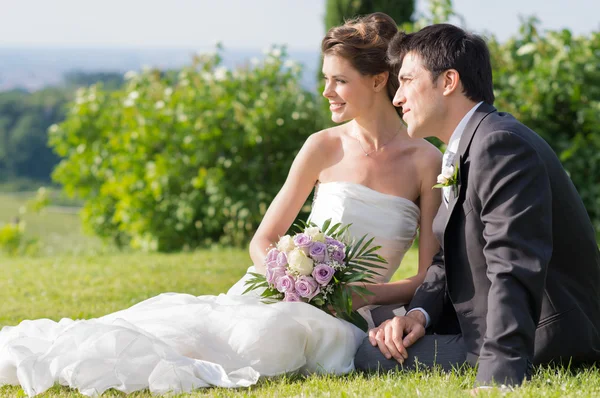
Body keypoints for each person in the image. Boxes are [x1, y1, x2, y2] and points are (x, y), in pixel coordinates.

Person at [0, 13, 442, 396]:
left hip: (348, 312)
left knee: (267, 343)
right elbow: (264, 239)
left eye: (340, 80)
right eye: (325, 78)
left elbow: (425, 276)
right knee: (197, 336)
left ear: (380, 79)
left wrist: (350, 296)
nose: (327, 91)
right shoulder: (321, 147)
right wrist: (291, 282)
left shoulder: (426, 161)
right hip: (275, 294)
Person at [354, 23, 600, 390]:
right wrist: (419, 314)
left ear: (448, 81)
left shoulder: (499, 145)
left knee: (369, 353)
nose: (397, 97)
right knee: (379, 323)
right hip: (482, 317)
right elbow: (445, 256)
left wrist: (499, 374)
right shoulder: (470, 143)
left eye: (406, 80)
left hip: (544, 335)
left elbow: (514, 264)